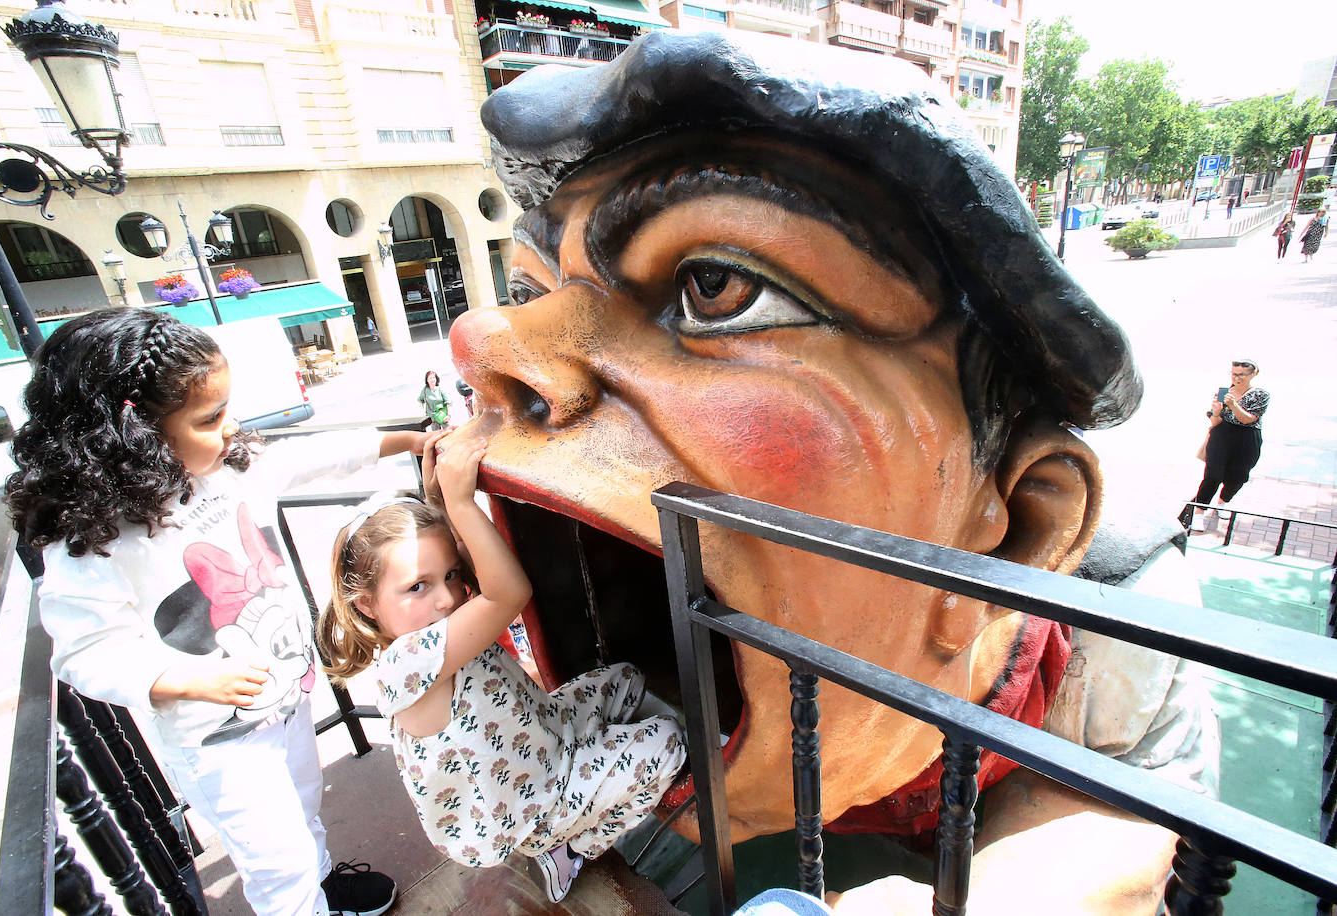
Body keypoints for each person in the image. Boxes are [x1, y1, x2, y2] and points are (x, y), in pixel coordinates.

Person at [451, 30, 1216, 912]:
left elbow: (1126, 823)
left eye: (715, 286)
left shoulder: (1121, 608)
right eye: (531, 291)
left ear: (1019, 525)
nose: (490, 342)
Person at [6, 307, 412, 916]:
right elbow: (83, 650)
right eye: (210, 417)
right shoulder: (94, 539)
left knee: (303, 808)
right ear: (133, 429)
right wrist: (187, 680)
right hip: (218, 741)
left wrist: (401, 441)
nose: (231, 427)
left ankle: (326, 886)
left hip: (286, 697)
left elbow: (309, 456)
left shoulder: (222, 471)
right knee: (278, 862)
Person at [315, 433, 686, 904]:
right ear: (366, 604)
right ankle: (570, 848)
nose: (448, 596)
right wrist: (462, 503)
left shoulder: (439, 623)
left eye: (448, 575)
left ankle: (603, 763)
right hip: (529, 807)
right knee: (666, 743)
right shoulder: (409, 664)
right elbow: (508, 592)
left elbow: (481, 571)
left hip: (540, 737)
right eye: (417, 587)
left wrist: (439, 504)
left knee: (627, 677)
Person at [1182, 359, 1269, 532]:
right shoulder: (1223, 392)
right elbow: (1215, 422)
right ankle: (1199, 512)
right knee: (1212, 476)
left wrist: (1233, 405)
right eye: (1234, 373)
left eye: (1242, 375)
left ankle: (1223, 501)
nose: (1237, 378)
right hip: (1221, 436)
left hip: (1247, 439)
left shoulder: (1260, 394)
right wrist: (1216, 412)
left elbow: (1248, 419)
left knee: (1238, 476)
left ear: (1253, 374)